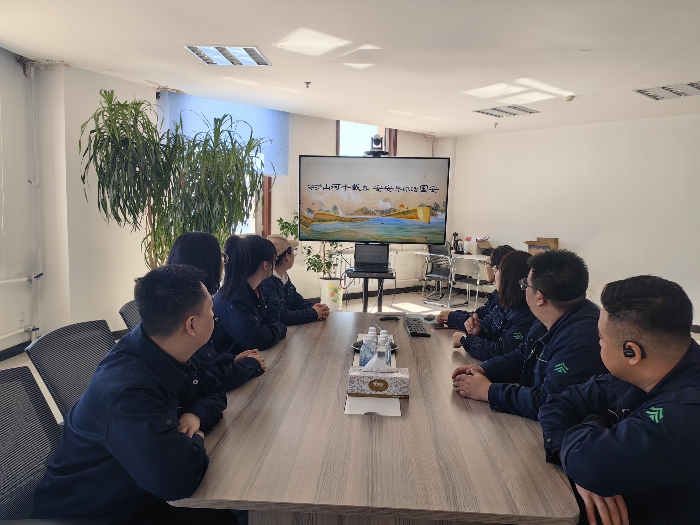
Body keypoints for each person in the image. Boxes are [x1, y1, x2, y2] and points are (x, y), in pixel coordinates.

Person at [32, 265, 235, 524]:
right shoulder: (129, 389)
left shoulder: (164, 348)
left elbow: (214, 388)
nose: (214, 315)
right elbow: (178, 480)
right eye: (210, 310)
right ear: (191, 325)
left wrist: (196, 415)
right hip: (93, 513)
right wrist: (195, 440)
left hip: (135, 487)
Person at [539, 276, 700, 525]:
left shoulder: (686, 413)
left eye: (601, 339)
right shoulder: (639, 373)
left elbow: (590, 463)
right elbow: (557, 403)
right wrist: (571, 454)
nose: (598, 344)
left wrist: (592, 431)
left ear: (631, 352)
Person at [451, 249, 607, 420]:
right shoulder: (552, 315)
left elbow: (549, 403)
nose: (523, 289)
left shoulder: (579, 339)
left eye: (526, 284)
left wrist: (487, 391)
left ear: (539, 298)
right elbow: (521, 356)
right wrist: (484, 369)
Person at [167, 231, 265, 390]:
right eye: (221, 257)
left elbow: (205, 358)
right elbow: (202, 379)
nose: (224, 263)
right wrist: (249, 366)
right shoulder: (187, 311)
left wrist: (232, 359)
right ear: (207, 262)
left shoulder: (183, 299)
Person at [452, 251, 536, 361]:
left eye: (497, 270)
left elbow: (501, 352)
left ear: (508, 279)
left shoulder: (526, 316)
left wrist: (465, 340)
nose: (495, 274)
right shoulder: (506, 303)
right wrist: (480, 330)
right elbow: (489, 325)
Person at [214, 234, 287, 352]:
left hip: (258, 357)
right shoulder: (235, 299)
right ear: (265, 265)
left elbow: (274, 316)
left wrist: (272, 328)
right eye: (274, 260)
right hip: (240, 360)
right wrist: (280, 328)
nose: (275, 265)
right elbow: (256, 340)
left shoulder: (257, 288)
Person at [438, 245, 515, 329]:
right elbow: (479, 315)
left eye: (487, 263)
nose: (486, 266)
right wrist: (452, 314)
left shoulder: (506, 301)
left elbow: (485, 325)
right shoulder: (497, 294)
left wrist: (453, 317)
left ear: (496, 268)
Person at [261, 234, 330, 325]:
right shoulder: (267, 282)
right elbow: (281, 316)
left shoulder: (284, 277)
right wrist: (314, 313)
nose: (294, 255)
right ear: (287, 257)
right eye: (293, 251)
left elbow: (296, 300)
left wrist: (317, 307)